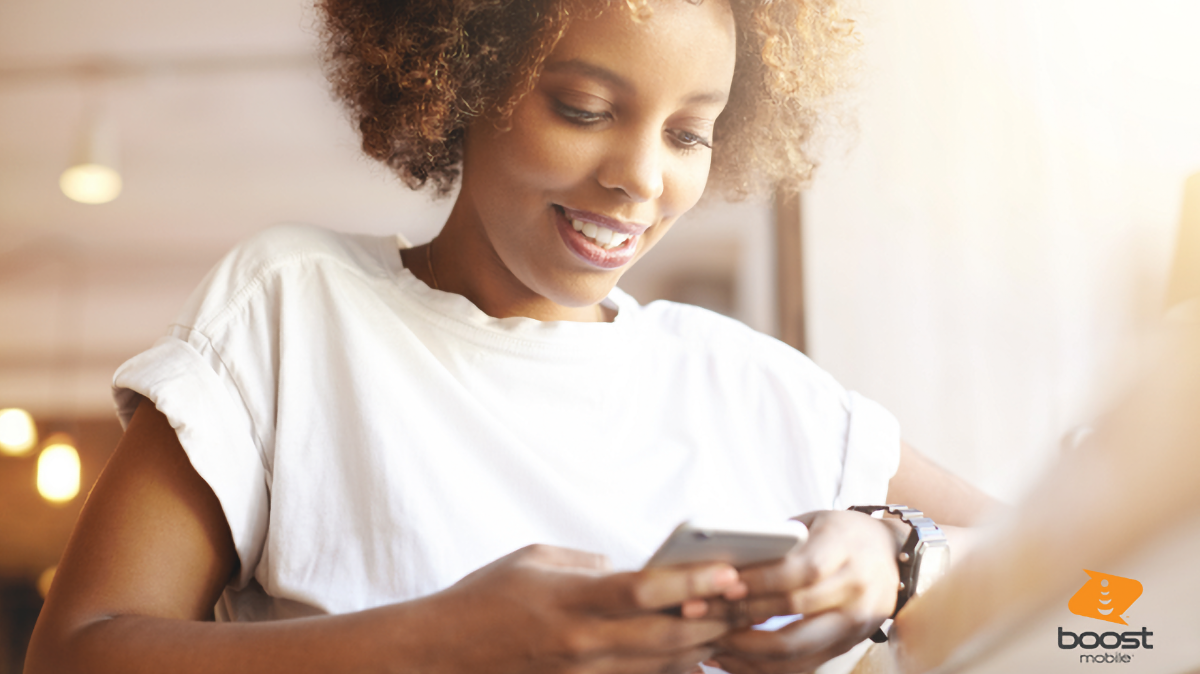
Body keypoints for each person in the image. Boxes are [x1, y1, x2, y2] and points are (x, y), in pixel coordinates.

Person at [25, 1, 996, 673]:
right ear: (462, 74)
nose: (640, 178)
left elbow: (1102, 599)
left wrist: (898, 550)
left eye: (689, 133)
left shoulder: (753, 388)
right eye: (583, 108)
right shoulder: (293, 311)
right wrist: (443, 640)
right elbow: (79, 651)